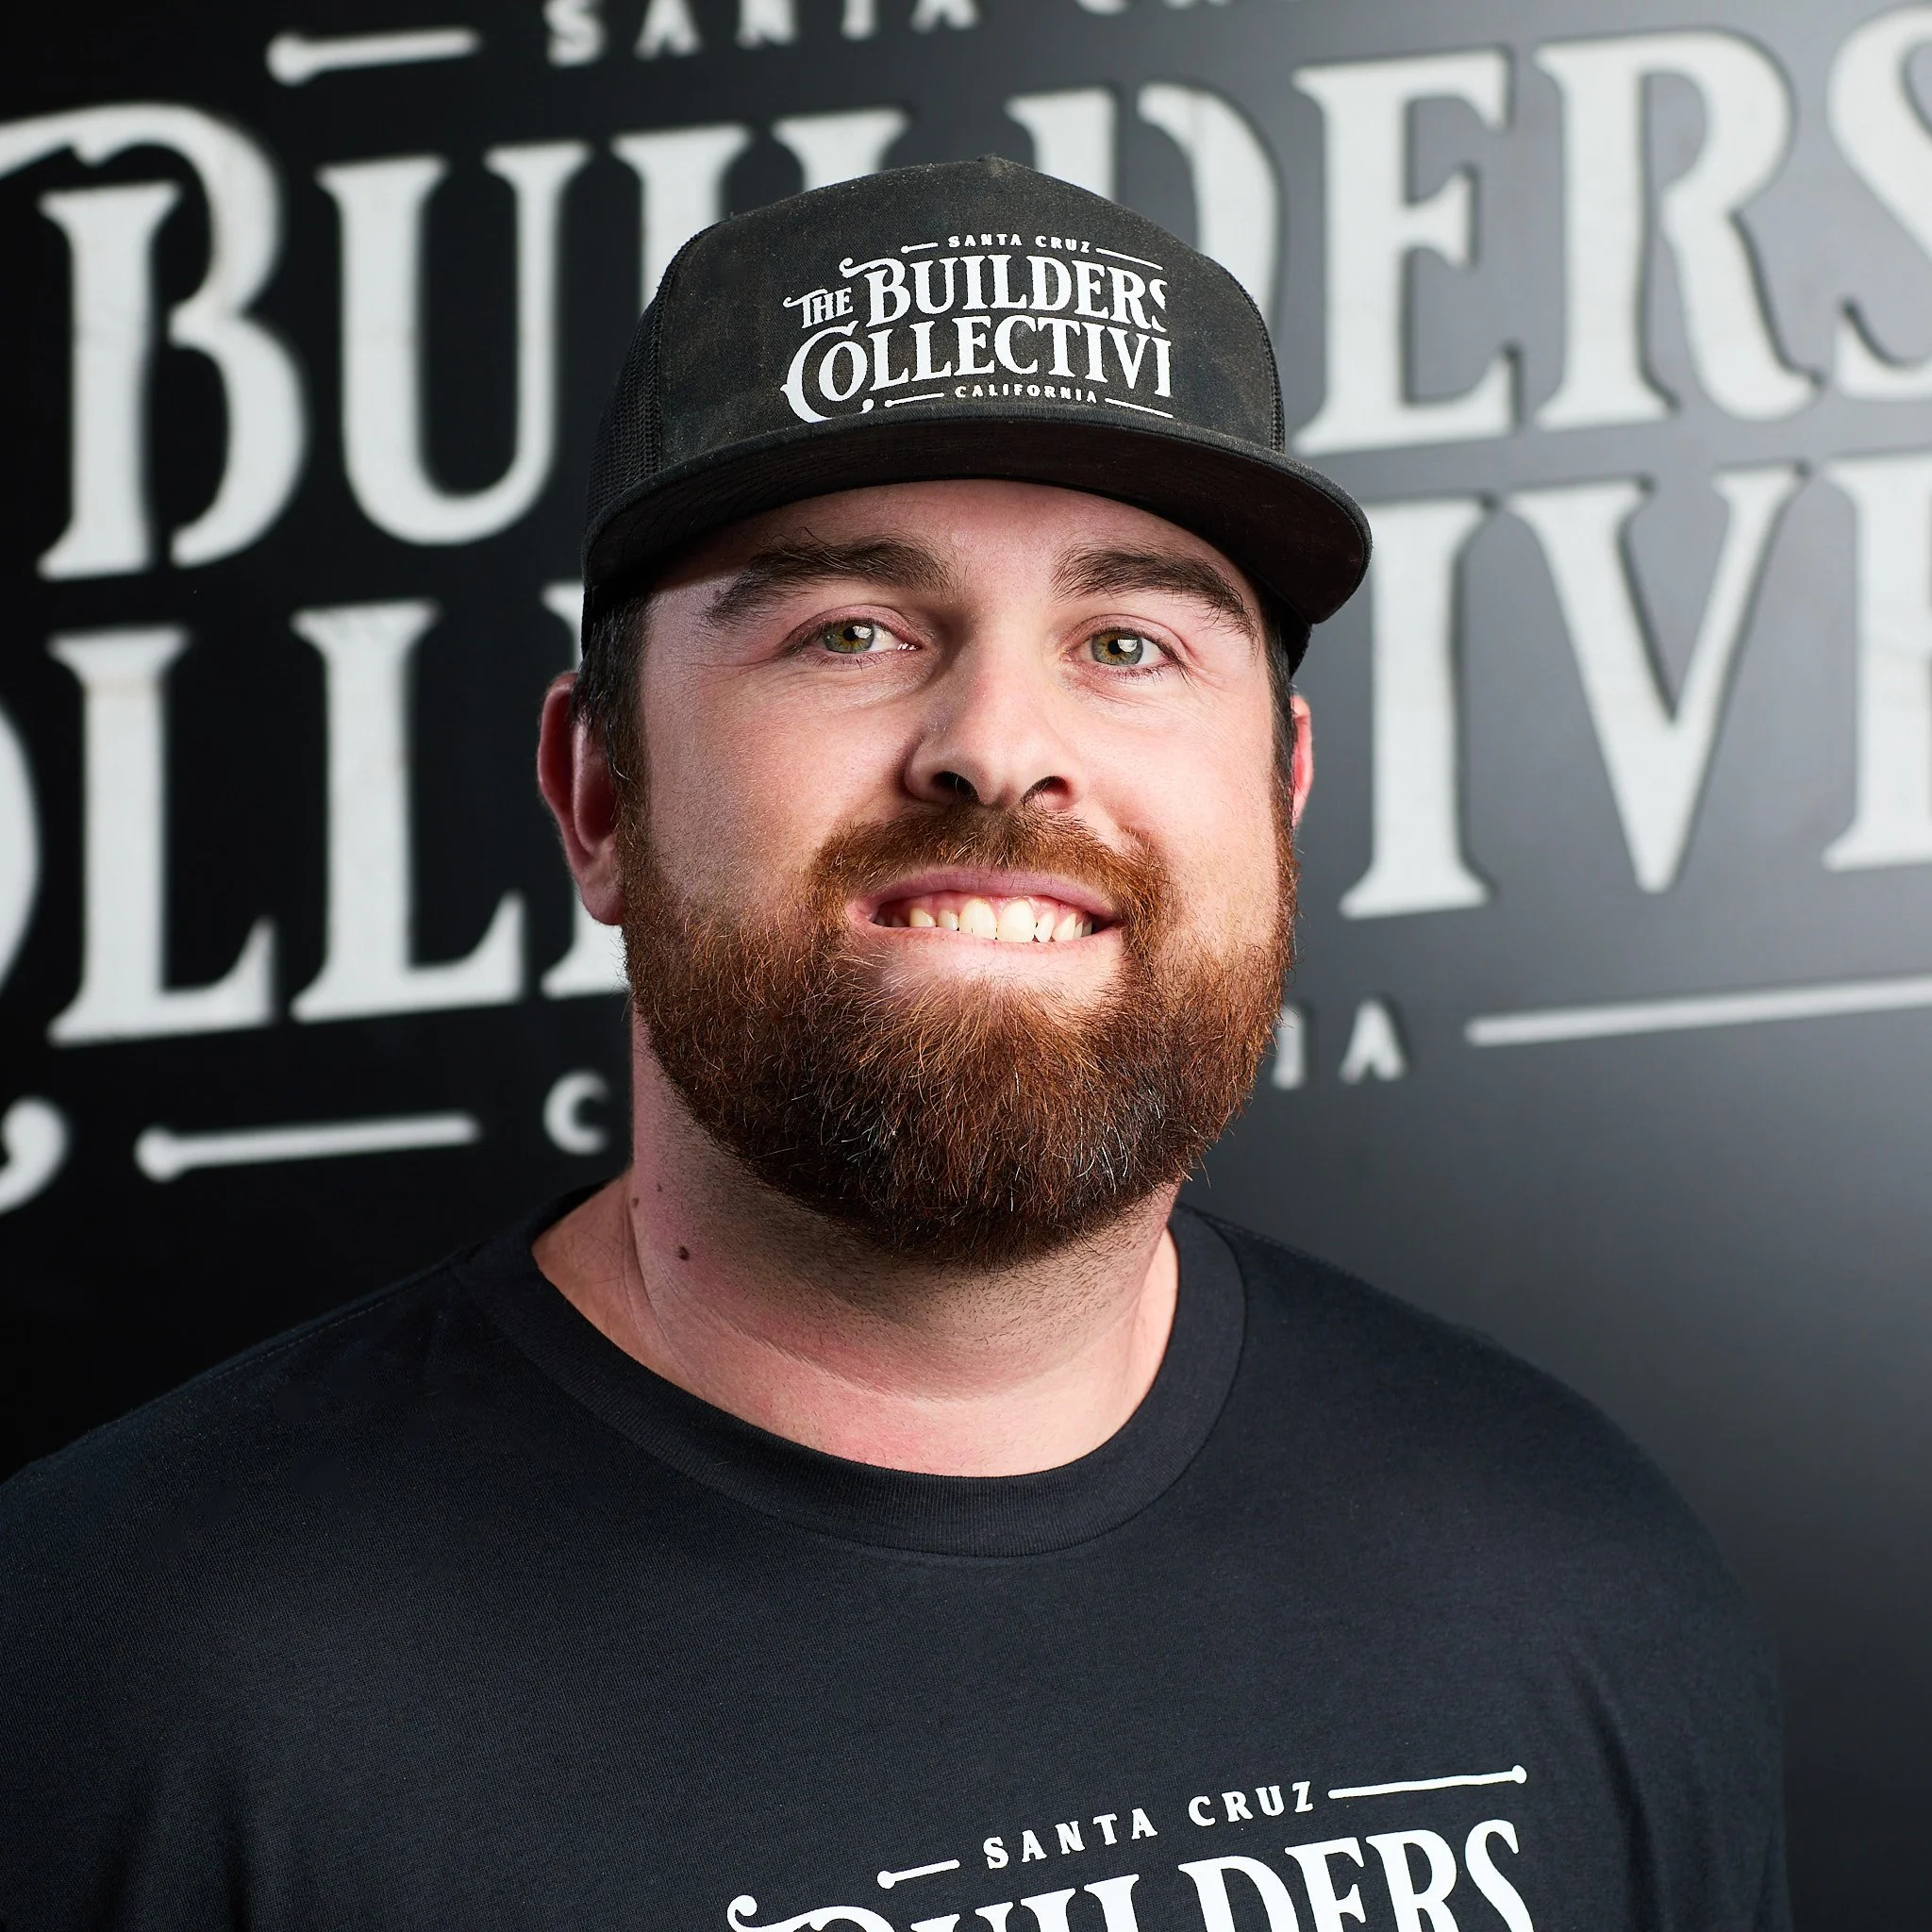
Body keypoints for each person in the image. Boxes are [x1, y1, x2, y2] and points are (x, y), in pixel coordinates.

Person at [0, 157, 1785, 1932]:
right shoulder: (114, 1681)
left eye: (1131, 641)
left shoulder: (1571, 1568)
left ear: (1284, 793)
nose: (999, 746)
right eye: (850, 628)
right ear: (600, 794)